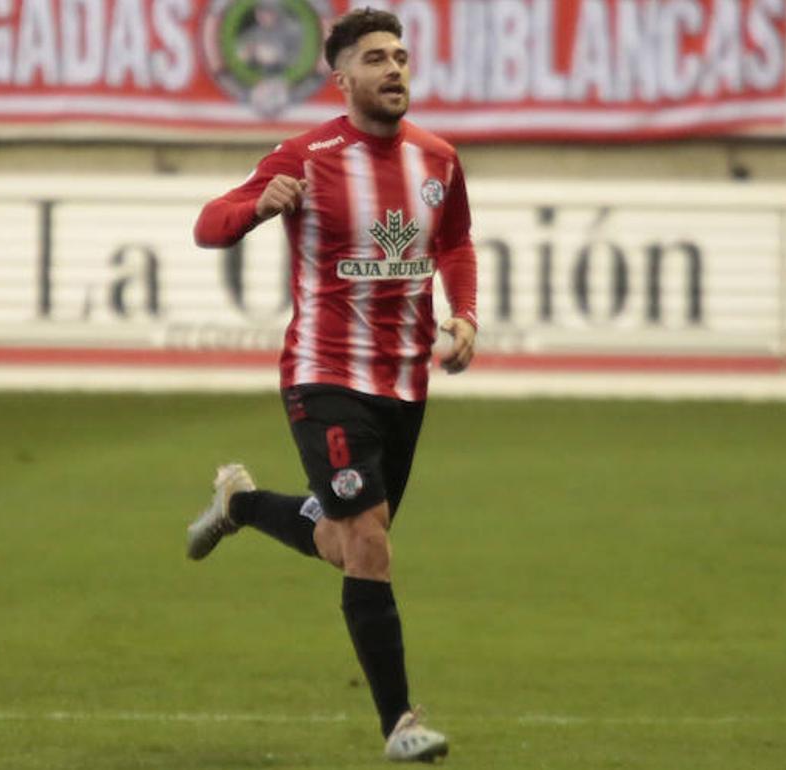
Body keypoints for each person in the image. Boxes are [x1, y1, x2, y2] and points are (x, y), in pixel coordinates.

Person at [187, 7, 477, 763]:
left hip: (405, 382)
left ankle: (240, 504)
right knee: (371, 542)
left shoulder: (439, 159)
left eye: (401, 56)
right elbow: (208, 223)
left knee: (348, 544)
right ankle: (400, 724)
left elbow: (454, 243)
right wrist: (256, 208)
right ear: (340, 76)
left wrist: (466, 315)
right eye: (376, 58)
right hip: (323, 374)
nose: (394, 69)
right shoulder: (305, 155)